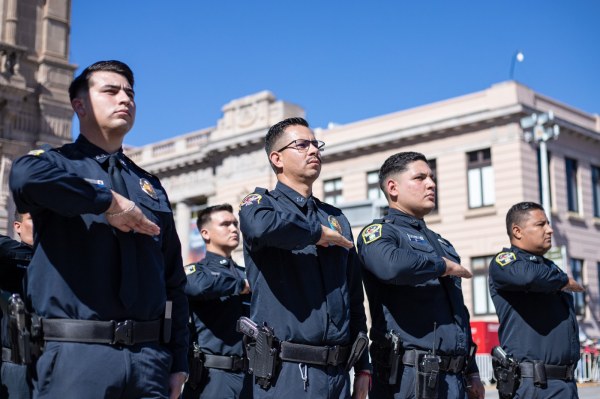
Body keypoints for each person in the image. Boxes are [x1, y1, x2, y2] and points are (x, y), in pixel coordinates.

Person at [9, 60, 188, 399]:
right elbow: (23, 179)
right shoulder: (53, 164)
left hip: (148, 362)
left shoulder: (149, 185)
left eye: (130, 93)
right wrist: (105, 201)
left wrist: (178, 359)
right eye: (111, 91)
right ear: (80, 105)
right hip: (76, 356)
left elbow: (173, 282)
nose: (125, 99)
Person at [238, 117, 371, 399]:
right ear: (277, 158)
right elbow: (260, 227)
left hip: (338, 374)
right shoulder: (261, 205)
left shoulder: (335, 218)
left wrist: (363, 367)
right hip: (287, 373)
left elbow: (353, 297)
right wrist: (315, 234)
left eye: (316, 144)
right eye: (301, 145)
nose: (313, 150)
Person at [357, 151, 485, 399]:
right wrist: (441, 266)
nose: (431, 184)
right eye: (420, 177)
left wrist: (472, 373)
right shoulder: (380, 233)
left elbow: (459, 313)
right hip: (409, 378)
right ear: (392, 187)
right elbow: (390, 266)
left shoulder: (441, 243)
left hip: (454, 379)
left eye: (432, 177)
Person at [488, 202, 583, 398]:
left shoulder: (550, 268)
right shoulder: (506, 261)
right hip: (533, 385)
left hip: (564, 383)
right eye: (541, 224)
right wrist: (564, 280)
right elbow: (527, 277)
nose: (549, 229)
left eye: (548, 223)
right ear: (517, 231)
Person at [182, 204, 252, 398]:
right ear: (205, 233)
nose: (233, 229)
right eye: (225, 224)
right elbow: (197, 286)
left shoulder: (246, 274)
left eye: (235, 224)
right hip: (212, 377)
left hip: (251, 377)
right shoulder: (197, 272)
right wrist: (240, 286)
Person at [0, 212, 34, 399]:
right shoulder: (7, 258)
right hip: (16, 365)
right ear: (17, 226)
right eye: (32, 218)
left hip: (57, 363)